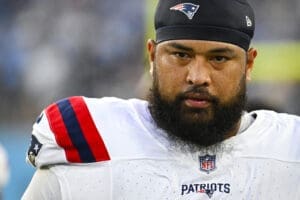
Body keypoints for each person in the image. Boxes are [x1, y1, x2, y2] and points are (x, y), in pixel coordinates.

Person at [22, 0, 300, 199]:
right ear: (152, 56)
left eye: (219, 58)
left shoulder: (291, 150)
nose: (197, 76)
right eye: (181, 55)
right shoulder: (90, 142)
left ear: (249, 65)